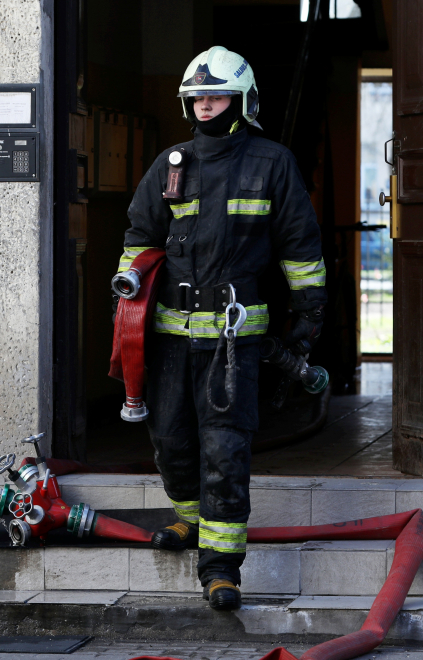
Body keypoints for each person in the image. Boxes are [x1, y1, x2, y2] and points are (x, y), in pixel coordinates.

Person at [115, 46, 326, 610]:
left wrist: (308, 315)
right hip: (170, 338)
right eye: (197, 97)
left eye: (216, 96)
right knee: (170, 440)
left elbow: (300, 246)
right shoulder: (171, 165)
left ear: (242, 101)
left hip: (235, 343)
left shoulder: (272, 163)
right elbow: (140, 239)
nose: (205, 106)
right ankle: (190, 519)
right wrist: (128, 300)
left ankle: (221, 569)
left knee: (225, 451)